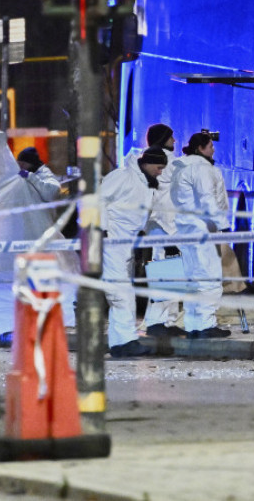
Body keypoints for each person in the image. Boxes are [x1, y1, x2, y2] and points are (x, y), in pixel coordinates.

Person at [99, 145, 168, 358]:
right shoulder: (122, 177)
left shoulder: (146, 184)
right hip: (112, 240)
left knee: (122, 291)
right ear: (147, 164)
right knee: (121, 293)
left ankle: (121, 342)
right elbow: (97, 199)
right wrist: (100, 230)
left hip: (124, 243)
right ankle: (125, 341)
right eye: (158, 167)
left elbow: (148, 214)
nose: (160, 172)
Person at [169, 131, 232, 339]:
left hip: (185, 228)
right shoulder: (202, 169)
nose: (213, 149)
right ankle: (205, 325)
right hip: (205, 229)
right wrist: (222, 226)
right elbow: (208, 200)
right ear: (200, 148)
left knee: (193, 279)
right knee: (210, 277)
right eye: (210, 146)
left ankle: (194, 324)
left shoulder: (181, 168)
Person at [140, 123, 187, 338]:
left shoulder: (159, 162)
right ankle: (158, 322)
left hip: (164, 225)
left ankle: (166, 321)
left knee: (169, 273)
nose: (174, 141)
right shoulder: (167, 163)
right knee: (165, 273)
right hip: (164, 226)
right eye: (171, 137)